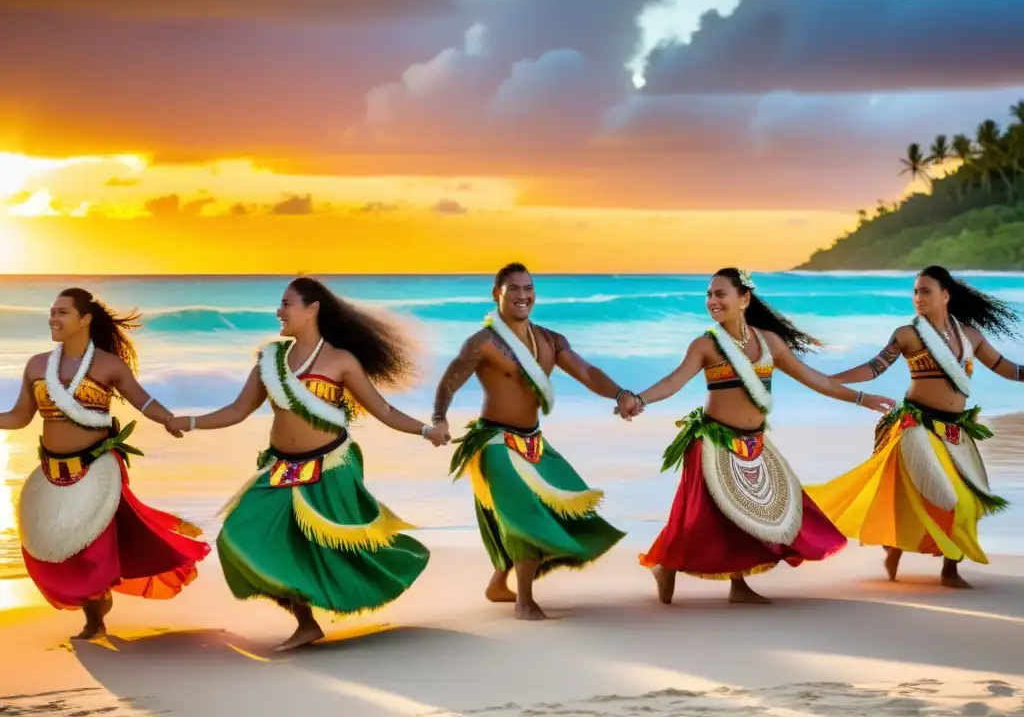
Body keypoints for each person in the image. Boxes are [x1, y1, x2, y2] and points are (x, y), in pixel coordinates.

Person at [167, 277, 446, 651]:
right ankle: (305, 622)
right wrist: (192, 421)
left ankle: (332, 605)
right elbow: (237, 410)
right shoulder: (271, 359)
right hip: (280, 467)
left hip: (329, 466)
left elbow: (383, 409)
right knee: (237, 535)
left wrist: (426, 430)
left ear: (312, 309)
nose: (279, 311)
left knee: (330, 548)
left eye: (287, 303)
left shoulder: (341, 360)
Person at [617, 269, 894, 605]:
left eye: (721, 294)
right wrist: (640, 399)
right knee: (696, 522)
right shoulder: (706, 345)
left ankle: (739, 585)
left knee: (754, 515)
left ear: (744, 299)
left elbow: (814, 379)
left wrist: (862, 399)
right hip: (714, 444)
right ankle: (664, 567)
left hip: (755, 444)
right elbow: (673, 381)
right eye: (709, 295)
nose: (713, 302)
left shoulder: (769, 344)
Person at [0, 288, 209, 639]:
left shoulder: (109, 365)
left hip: (96, 471)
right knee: (56, 554)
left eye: (62, 312)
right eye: (51, 312)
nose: (53, 318)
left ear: (85, 319)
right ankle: (92, 606)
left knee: (94, 552)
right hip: (51, 473)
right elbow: (20, 417)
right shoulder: (37, 365)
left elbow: (144, 402)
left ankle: (95, 617)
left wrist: (169, 419)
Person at [431, 262, 632, 621]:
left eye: (529, 288)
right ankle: (524, 600)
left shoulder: (551, 340)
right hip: (494, 440)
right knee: (524, 511)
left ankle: (498, 582)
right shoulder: (484, 342)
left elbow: (586, 372)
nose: (523, 295)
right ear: (498, 295)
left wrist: (619, 393)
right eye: (514, 289)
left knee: (569, 500)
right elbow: (449, 381)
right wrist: (439, 418)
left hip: (534, 439)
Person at [805, 266, 1019, 588]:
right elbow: (874, 368)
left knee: (969, 500)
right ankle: (894, 548)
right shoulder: (908, 334)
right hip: (916, 426)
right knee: (936, 496)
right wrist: (829, 380)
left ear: (945, 295)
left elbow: (1008, 370)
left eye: (926, 291)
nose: (918, 297)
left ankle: (950, 568)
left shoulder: (970, 336)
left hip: (956, 431)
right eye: (916, 291)